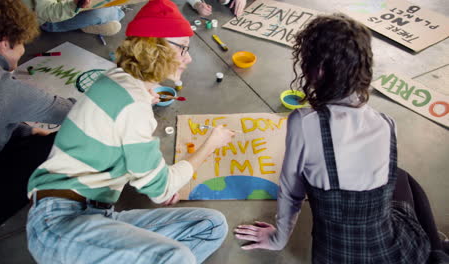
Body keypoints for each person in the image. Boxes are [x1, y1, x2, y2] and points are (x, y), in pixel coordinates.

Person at [26, 0, 234, 263]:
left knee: (211, 226)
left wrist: (144, 99)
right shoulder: (134, 105)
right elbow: (161, 190)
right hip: (59, 223)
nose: (188, 57)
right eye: (184, 49)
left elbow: (129, 152)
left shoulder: (118, 80)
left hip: (96, 215)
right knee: (176, 256)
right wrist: (211, 144)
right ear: (156, 49)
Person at [234, 14, 449, 263]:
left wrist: (277, 239)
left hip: (334, 255)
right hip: (392, 252)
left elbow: (291, 193)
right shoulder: (386, 123)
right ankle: (436, 249)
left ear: (317, 70)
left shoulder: (304, 122)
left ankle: (436, 252)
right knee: (401, 175)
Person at [0, 0, 74, 236]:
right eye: (21, 43)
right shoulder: (2, 87)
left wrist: (26, 131)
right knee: (58, 142)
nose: (22, 50)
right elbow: (72, 114)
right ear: (3, 43)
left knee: (27, 134)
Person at [21, 0, 125, 36]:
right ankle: (117, 11)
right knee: (103, 13)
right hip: (49, 19)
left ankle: (116, 10)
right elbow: (48, 12)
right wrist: (75, 4)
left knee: (106, 11)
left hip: (61, 6)